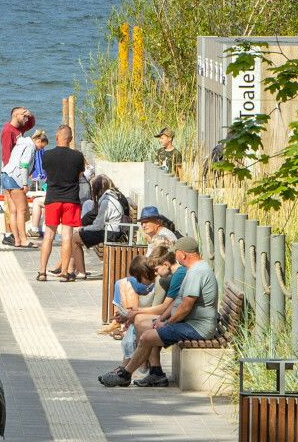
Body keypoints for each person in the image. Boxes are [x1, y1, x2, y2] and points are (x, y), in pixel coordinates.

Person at [102, 236, 218, 387]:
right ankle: (156, 373)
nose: (175, 257)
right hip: (191, 324)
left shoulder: (197, 272)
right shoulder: (194, 270)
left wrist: (167, 323)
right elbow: (178, 301)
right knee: (146, 326)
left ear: (183, 254)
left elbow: (186, 306)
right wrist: (161, 319)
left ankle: (125, 374)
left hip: (197, 328)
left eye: (176, 253)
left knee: (147, 337)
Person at [36, 125, 88, 282]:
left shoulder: (47, 155)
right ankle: (65, 272)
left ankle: (42, 272)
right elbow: (80, 175)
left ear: (56, 137)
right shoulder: (78, 156)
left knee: (48, 236)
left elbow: (45, 173)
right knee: (67, 237)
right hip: (71, 200)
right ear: (70, 139)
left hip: (52, 198)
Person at [0, 108, 34, 248]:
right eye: (23, 115)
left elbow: (31, 124)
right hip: (12, 173)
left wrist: (30, 115)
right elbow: (6, 153)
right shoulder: (8, 130)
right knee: (18, 209)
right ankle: (12, 235)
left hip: (12, 173)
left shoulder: (19, 129)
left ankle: (15, 237)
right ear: (15, 115)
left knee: (14, 210)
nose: (25, 118)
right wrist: (11, 173)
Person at [79, 174, 129, 252]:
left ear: (99, 189)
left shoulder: (107, 201)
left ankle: (69, 264)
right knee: (74, 239)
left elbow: (98, 226)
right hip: (116, 230)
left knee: (74, 239)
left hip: (110, 233)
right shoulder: (116, 195)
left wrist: (82, 228)